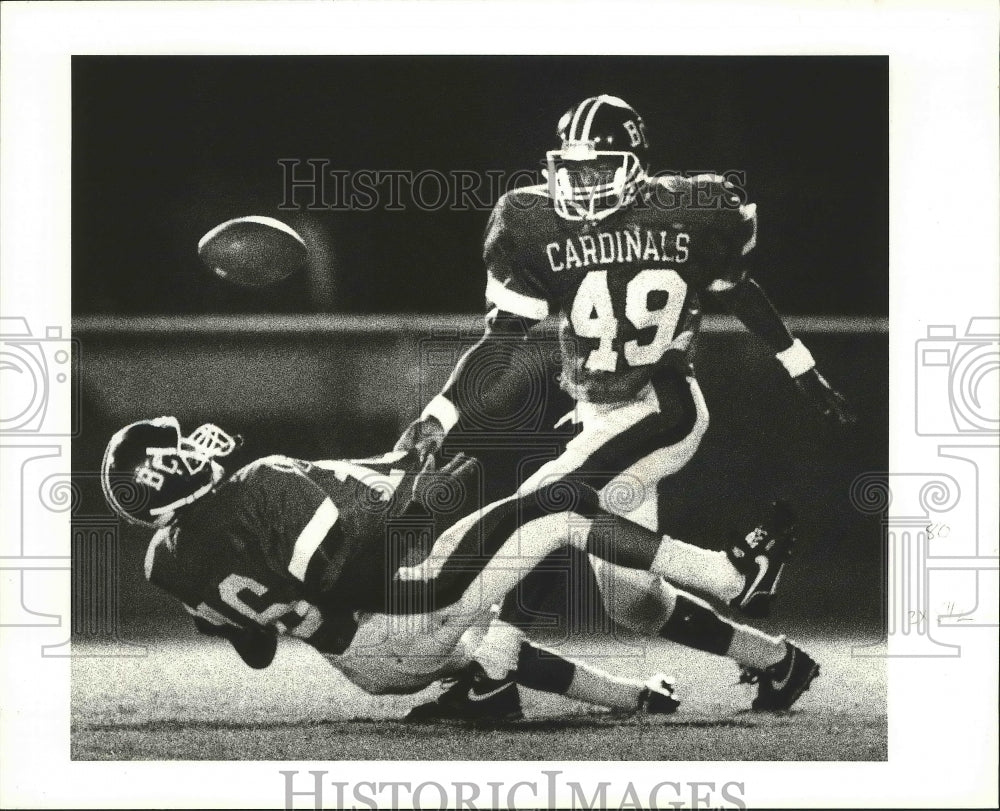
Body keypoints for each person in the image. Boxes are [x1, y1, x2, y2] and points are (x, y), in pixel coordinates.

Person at [397, 94, 845, 719]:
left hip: (662, 407)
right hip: (600, 416)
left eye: (597, 167)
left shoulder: (687, 212)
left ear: (633, 165)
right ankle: (778, 661)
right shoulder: (531, 220)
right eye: (571, 168)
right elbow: (500, 342)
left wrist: (801, 366)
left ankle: (495, 670)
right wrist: (441, 414)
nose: (581, 183)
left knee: (540, 507)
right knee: (634, 602)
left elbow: (736, 291)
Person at [101, 416, 683, 718]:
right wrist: (424, 507)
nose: (195, 449)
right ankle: (724, 572)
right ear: (164, 473)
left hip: (365, 670)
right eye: (180, 451)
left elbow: (258, 651)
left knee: (486, 639)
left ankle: (631, 698)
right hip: (395, 617)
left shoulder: (164, 563)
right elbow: (350, 567)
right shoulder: (258, 482)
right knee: (554, 511)